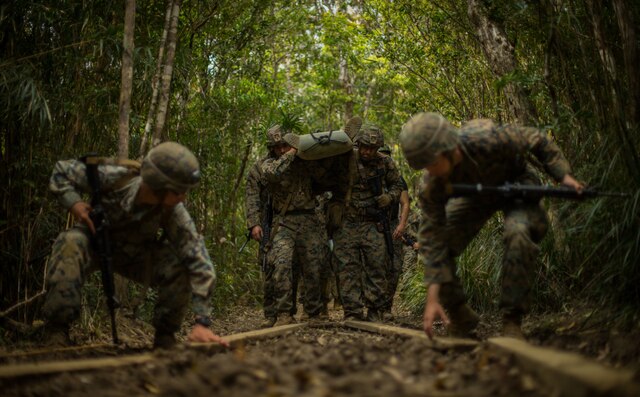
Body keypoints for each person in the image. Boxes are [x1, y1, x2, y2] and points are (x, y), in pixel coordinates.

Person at [399, 112, 583, 339]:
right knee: (440, 245)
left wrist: (564, 176)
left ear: (450, 149)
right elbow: (432, 240)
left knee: (518, 233)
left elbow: (536, 139)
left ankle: (512, 320)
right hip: (477, 199)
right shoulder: (433, 185)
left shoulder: (485, 139)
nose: (430, 171)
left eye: (433, 163)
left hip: (517, 188)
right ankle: (460, 316)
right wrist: (433, 297)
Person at [42, 142, 229, 349]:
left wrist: (202, 322)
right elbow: (60, 171)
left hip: (136, 255)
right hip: (94, 243)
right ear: (158, 185)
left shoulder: (174, 211)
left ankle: (165, 337)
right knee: (70, 242)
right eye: (178, 191)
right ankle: (56, 331)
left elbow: (200, 262)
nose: (183, 198)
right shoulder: (113, 177)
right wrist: (74, 203)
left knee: (180, 264)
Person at [332, 125, 404, 321]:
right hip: (347, 222)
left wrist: (389, 197)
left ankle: (375, 310)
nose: (367, 152)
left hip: (373, 223)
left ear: (378, 147)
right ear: (358, 144)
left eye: (372, 149)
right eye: (364, 147)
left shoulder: (385, 162)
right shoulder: (346, 159)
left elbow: (398, 184)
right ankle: (353, 312)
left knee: (377, 266)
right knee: (347, 268)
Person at [259, 126, 330, 325]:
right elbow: (273, 174)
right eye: (277, 147)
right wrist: (291, 153)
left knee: (314, 266)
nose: (282, 149)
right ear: (272, 149)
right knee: (281, 265)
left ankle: (313, 312)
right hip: (283, 222)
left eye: (285, 145)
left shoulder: (305, 163)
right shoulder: (269, 164)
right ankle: (284, 314)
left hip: (309, 220)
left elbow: (323, 178)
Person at [377, 145, 410, 319]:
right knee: (375, 267)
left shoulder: (397, 179)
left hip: (392, 225)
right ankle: (374, 307)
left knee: (394, 267)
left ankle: (386, 308)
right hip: (372, 226)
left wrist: (401, 224)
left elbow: (405, 202)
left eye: (386, 155)